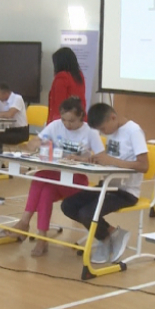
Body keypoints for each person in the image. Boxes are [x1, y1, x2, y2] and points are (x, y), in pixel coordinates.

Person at [10, 97, 104, 257]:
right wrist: (36, 144)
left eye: (72, 121)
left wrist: (80, 158)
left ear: (81, 116)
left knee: (40, 177)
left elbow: (101, 157)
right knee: (45, 190)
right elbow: (33, 143)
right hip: (55, 176)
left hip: (76, 180)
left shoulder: (90, 132)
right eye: (64, 120)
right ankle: (42, 238)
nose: (67, 124)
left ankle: (24, 222)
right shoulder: (55, 125)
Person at [61, 103, 148, 264]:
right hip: (107, 185)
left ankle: (103, 239)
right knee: (68, 205)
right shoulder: (112, 130)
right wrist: (86, 159)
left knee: (87, 213)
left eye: (103, 129)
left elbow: (144, 166)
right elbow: (110, 159)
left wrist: (111, 160)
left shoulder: (134, 131)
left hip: (125, 192)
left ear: (112, 118)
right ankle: (112, 233)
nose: (103, 133)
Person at [47, 47, 86, 124]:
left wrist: (52, 126)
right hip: (79, 120)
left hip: (65, 123)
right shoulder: (79, 76)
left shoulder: (61, 77)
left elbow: (59, 106)